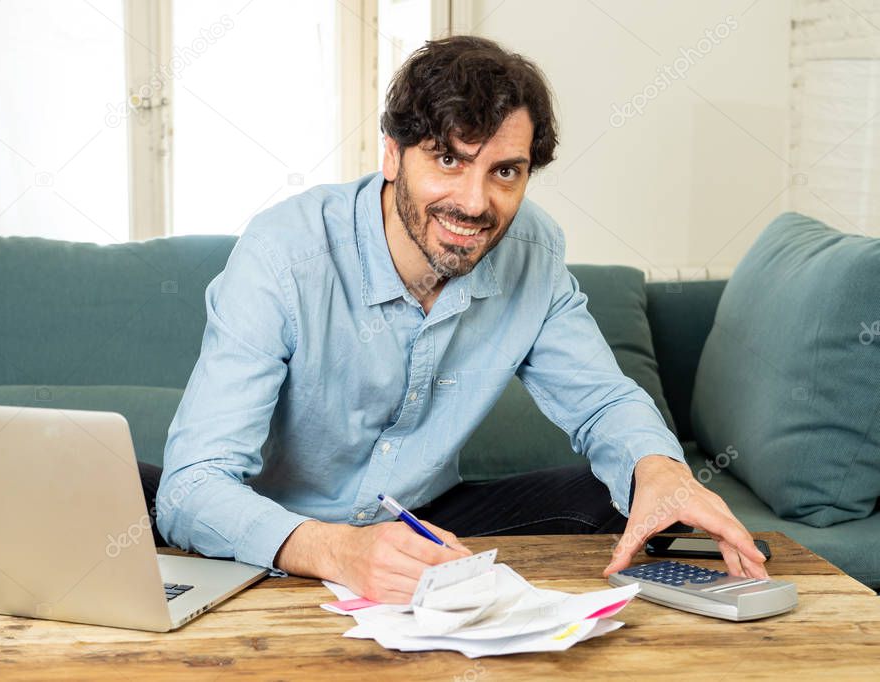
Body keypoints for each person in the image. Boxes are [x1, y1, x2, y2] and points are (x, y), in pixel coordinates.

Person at [142, 35, 767, 604]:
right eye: (448, 160)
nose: (475, 202)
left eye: (504, 172)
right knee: (135, 502)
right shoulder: (283, 255)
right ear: (392, 155)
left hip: (425, 522)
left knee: (622, 491)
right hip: (283, 527)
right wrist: (339, 550)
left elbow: (601, 402)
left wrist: (660, 471)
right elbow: (193, 486)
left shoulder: (532, 252)